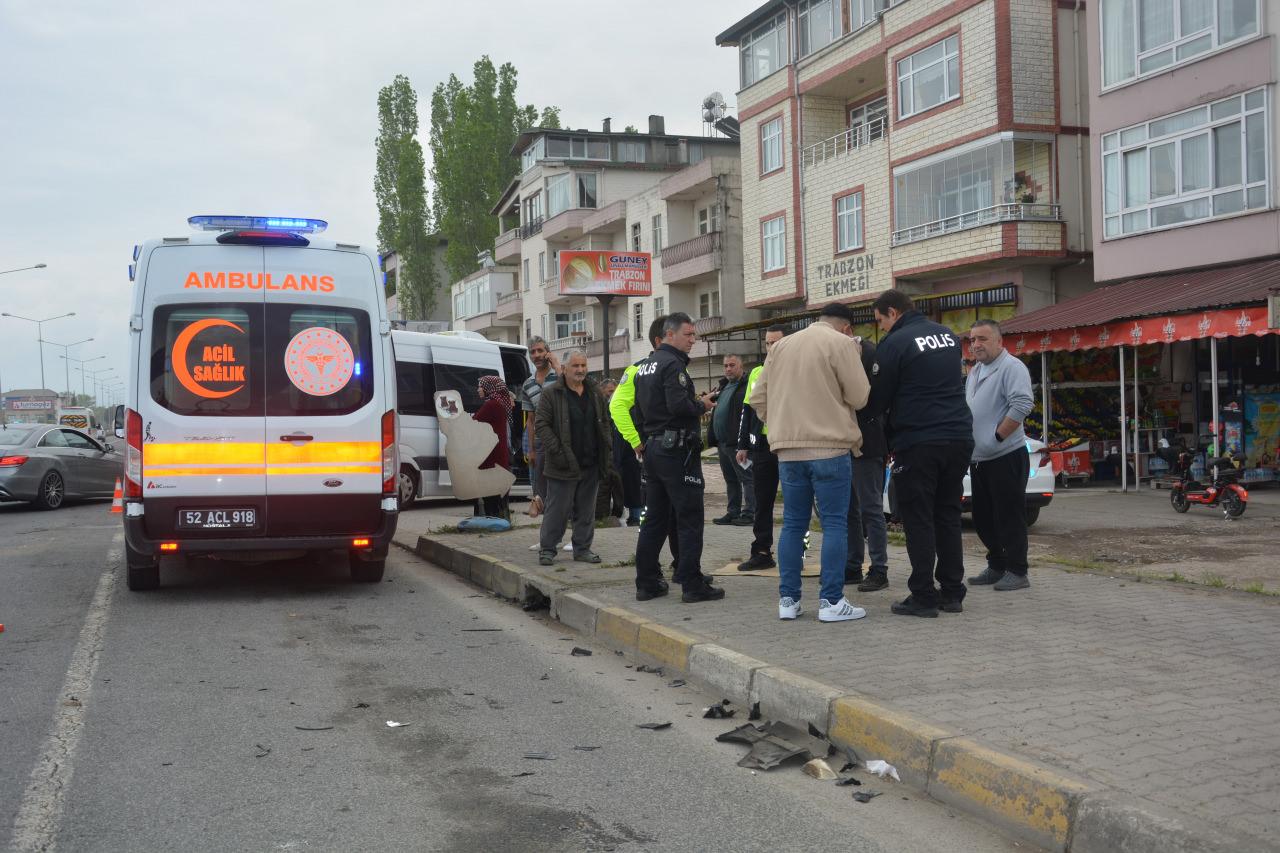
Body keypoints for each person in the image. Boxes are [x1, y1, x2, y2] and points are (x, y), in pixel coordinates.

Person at [748, 303, 870, 623]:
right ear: (846, 328)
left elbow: (758, 398)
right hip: (830, 448)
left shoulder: (781, 346)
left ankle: (788, 600)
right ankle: (831, 601)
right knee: (833, 524)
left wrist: (777, 423)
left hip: (788, 451)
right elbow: (859, 397)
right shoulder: (842, 344)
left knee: (793, 524)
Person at [864, 290, 974, 618]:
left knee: (918, 518)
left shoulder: (896, 343)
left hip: (920, 441)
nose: (881, 328)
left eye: (880, 320)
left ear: (893, 312)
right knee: (947, 515)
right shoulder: (947, 335)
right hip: (958, 437)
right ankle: (953, 591)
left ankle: (923, 595)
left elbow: (877, 402)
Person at [633, 313, 724, 604]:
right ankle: (692, 584)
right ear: (669, 335)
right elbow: (677, 405)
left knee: (655, 520)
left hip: (654, 449)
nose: (693, 340)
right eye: (688, 334)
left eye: (694, 335)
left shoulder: (645, 365)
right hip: (676, 451)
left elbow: (640, 409)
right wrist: (701, 405)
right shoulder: (673, 364)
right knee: (689, 518)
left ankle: (647, 583)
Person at [965, 319, 1035, 591]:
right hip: (980, 459)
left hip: (1005, 455)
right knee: (983, 518)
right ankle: (997, 565)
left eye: (982, 339)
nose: (976, 345)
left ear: (999, 341)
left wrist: (997, 437)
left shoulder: (1012, 367)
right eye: (972, 340)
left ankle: (1018, 571)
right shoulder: (976, 371)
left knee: (1010, 516)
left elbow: (1022, 404)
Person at [611, 315, 683, 575]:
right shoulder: (638, 369)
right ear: (661, 340)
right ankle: (668, 568)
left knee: (666, 513)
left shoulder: (658, 368)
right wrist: (635, 441)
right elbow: (616, 406)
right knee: (662, 515)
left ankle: (673, 566)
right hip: (658, 451)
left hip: (659, 450)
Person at [534, 351, 610, 566]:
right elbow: (541, 425)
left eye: (583, 365)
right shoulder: (552, 394)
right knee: (557, 510)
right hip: (563, 464)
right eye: (575, 365)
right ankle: (547, 549)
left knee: (586, 511)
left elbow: (605, 420)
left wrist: (607, 445)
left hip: (592, 462)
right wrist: (557, 450)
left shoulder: (595, 392)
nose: (580, 370)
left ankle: (582, 549)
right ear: (564, 368)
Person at [735, 325, 788, 571]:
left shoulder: (795, 368)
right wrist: (743, 444)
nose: (771, 348)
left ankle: (798, 552)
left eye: (775, 342)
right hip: (764, 447)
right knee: (762, 500)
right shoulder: (757, 371)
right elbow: (747, 409)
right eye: (767, 343)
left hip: (790, 443)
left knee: (796, 501)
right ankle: (762, 551)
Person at [845, 336, 890, 592]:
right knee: (849, 509)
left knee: (870, 509)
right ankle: (853, 566)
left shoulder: (871, 356)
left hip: (867, 445)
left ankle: (879, 569)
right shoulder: (843, 355)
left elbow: (871, 402)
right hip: (844, 443)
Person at [707, 354, 755, 526]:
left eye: (732, 365)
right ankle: (733, 512)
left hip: (737, 443)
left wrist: (745, 442)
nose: (728, 368)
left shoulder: (746, 386)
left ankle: (750, 513)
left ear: (741, 366)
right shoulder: (724, 386)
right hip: (722, 443)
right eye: (725, 365)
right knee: (730, 479)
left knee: (746, 478)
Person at [519, 336, 559, 516]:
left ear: (547, 352)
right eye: (532, 352)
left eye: (540, 351)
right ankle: (547, 536)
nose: (536, 355)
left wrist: (557, 365)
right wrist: (531, 449)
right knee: (540, 491)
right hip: (540, 442)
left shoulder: (560, 375)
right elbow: (530, 419)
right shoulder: (528, 384)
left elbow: (575, 390)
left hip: (560, 440)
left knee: (559, 488)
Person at [473, 374, 514, 519]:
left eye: (481, 386)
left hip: (491, 455)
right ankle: (500, 518)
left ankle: (490, 520)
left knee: (489, 492)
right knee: (497, 493)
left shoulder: (491, 404)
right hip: (498, 454)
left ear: (489, 388)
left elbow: (474, 422)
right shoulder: (500, 403)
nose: (478, 389)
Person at [595, 379, 626, 524]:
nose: (613, 394)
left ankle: (614, 512)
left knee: (614, 481)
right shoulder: (600, 406)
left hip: (612, 449)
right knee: (607, 482)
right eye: (610, 391)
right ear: (602, 391)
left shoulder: (613, 406)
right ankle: (603, 514)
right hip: (604, 450)